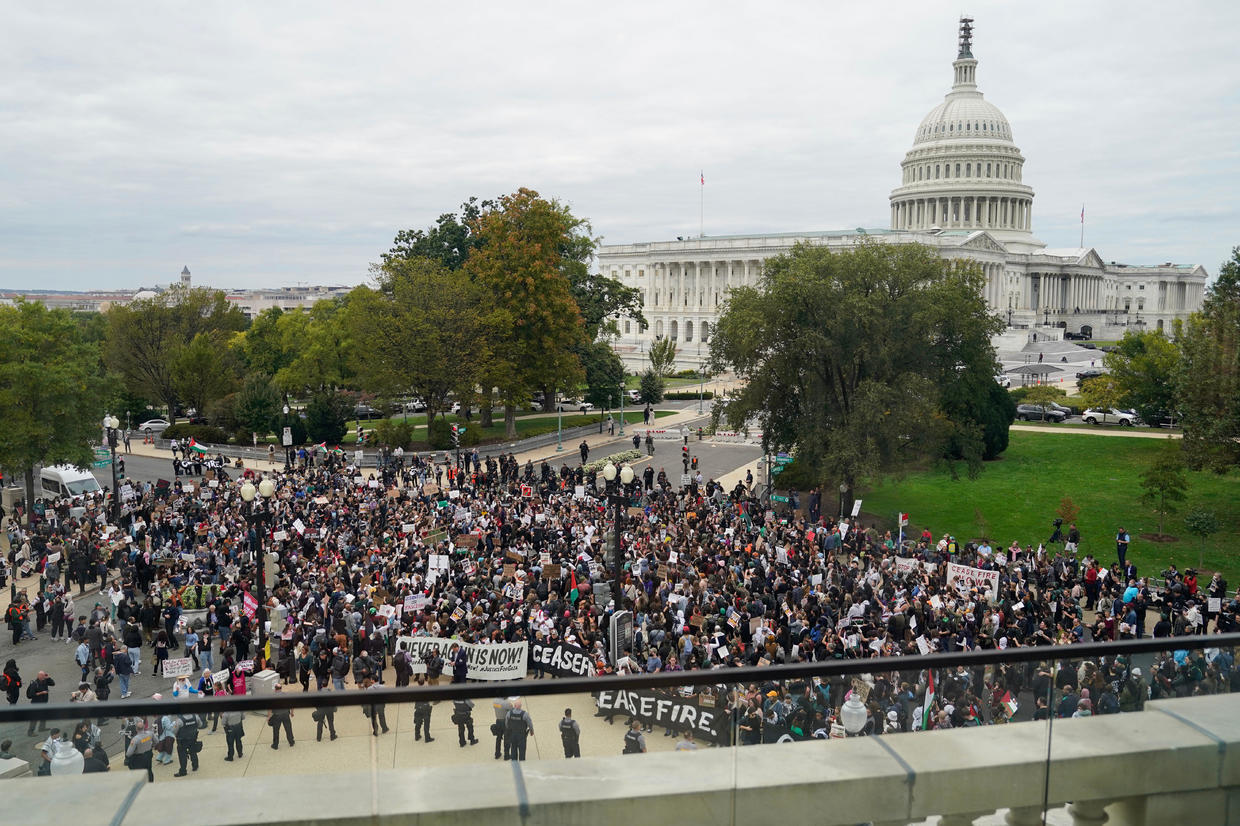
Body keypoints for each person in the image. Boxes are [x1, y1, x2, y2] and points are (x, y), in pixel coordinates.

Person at [25, 670, 54, 736]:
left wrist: (48, 678)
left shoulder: (45, 681)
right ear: (39, 676)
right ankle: (30, 732)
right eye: (43, 676)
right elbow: (32, 695)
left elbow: (53, 684)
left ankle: (42, 728)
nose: (44, 677)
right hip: (36, 704)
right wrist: (42, 693)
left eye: (44, 675)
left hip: (44, 702)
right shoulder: (34, 684)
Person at [174, 710, 201, 776]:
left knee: (182, 756)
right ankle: (195, 766)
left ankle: (183, 771)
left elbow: (174, 732)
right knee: (193, 752)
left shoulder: (179, 720)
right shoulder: (196, 717)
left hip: (182, 741)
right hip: (193, 738)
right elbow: (200, 725)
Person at [267, 685, 294, 749]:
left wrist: (268, 717)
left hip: (277, 716)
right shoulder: (286, 696)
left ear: (275, 689)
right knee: (288, 729)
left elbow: (269, 709)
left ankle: (275, 745)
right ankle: (291, 742)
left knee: (276, 731)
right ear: (281, 689)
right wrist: (292, 713)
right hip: (286, 714)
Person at [412, 675, 433, 741]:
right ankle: (427, 737)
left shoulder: (415, 691)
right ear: (424, 682)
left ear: (418, 682)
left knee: (418, 723)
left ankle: (417, 735)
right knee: (426, 724)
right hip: (425, 708)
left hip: (418, 708)